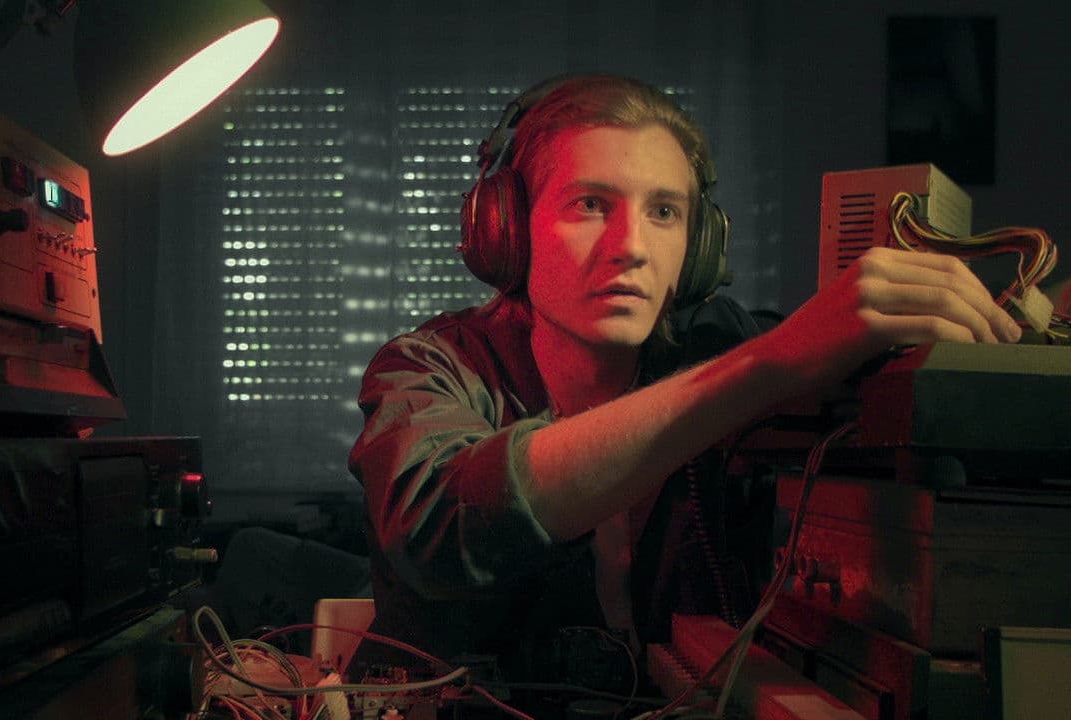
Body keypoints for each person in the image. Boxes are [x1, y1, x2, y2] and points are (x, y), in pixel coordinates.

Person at [346, 75, 1021, 685]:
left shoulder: (723, 344)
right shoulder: (427, 366)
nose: (631, 247)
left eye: (664, 212)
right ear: (508, 230)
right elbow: (440, 529)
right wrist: (765, 367)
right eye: (590, 204)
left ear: (699, 248)